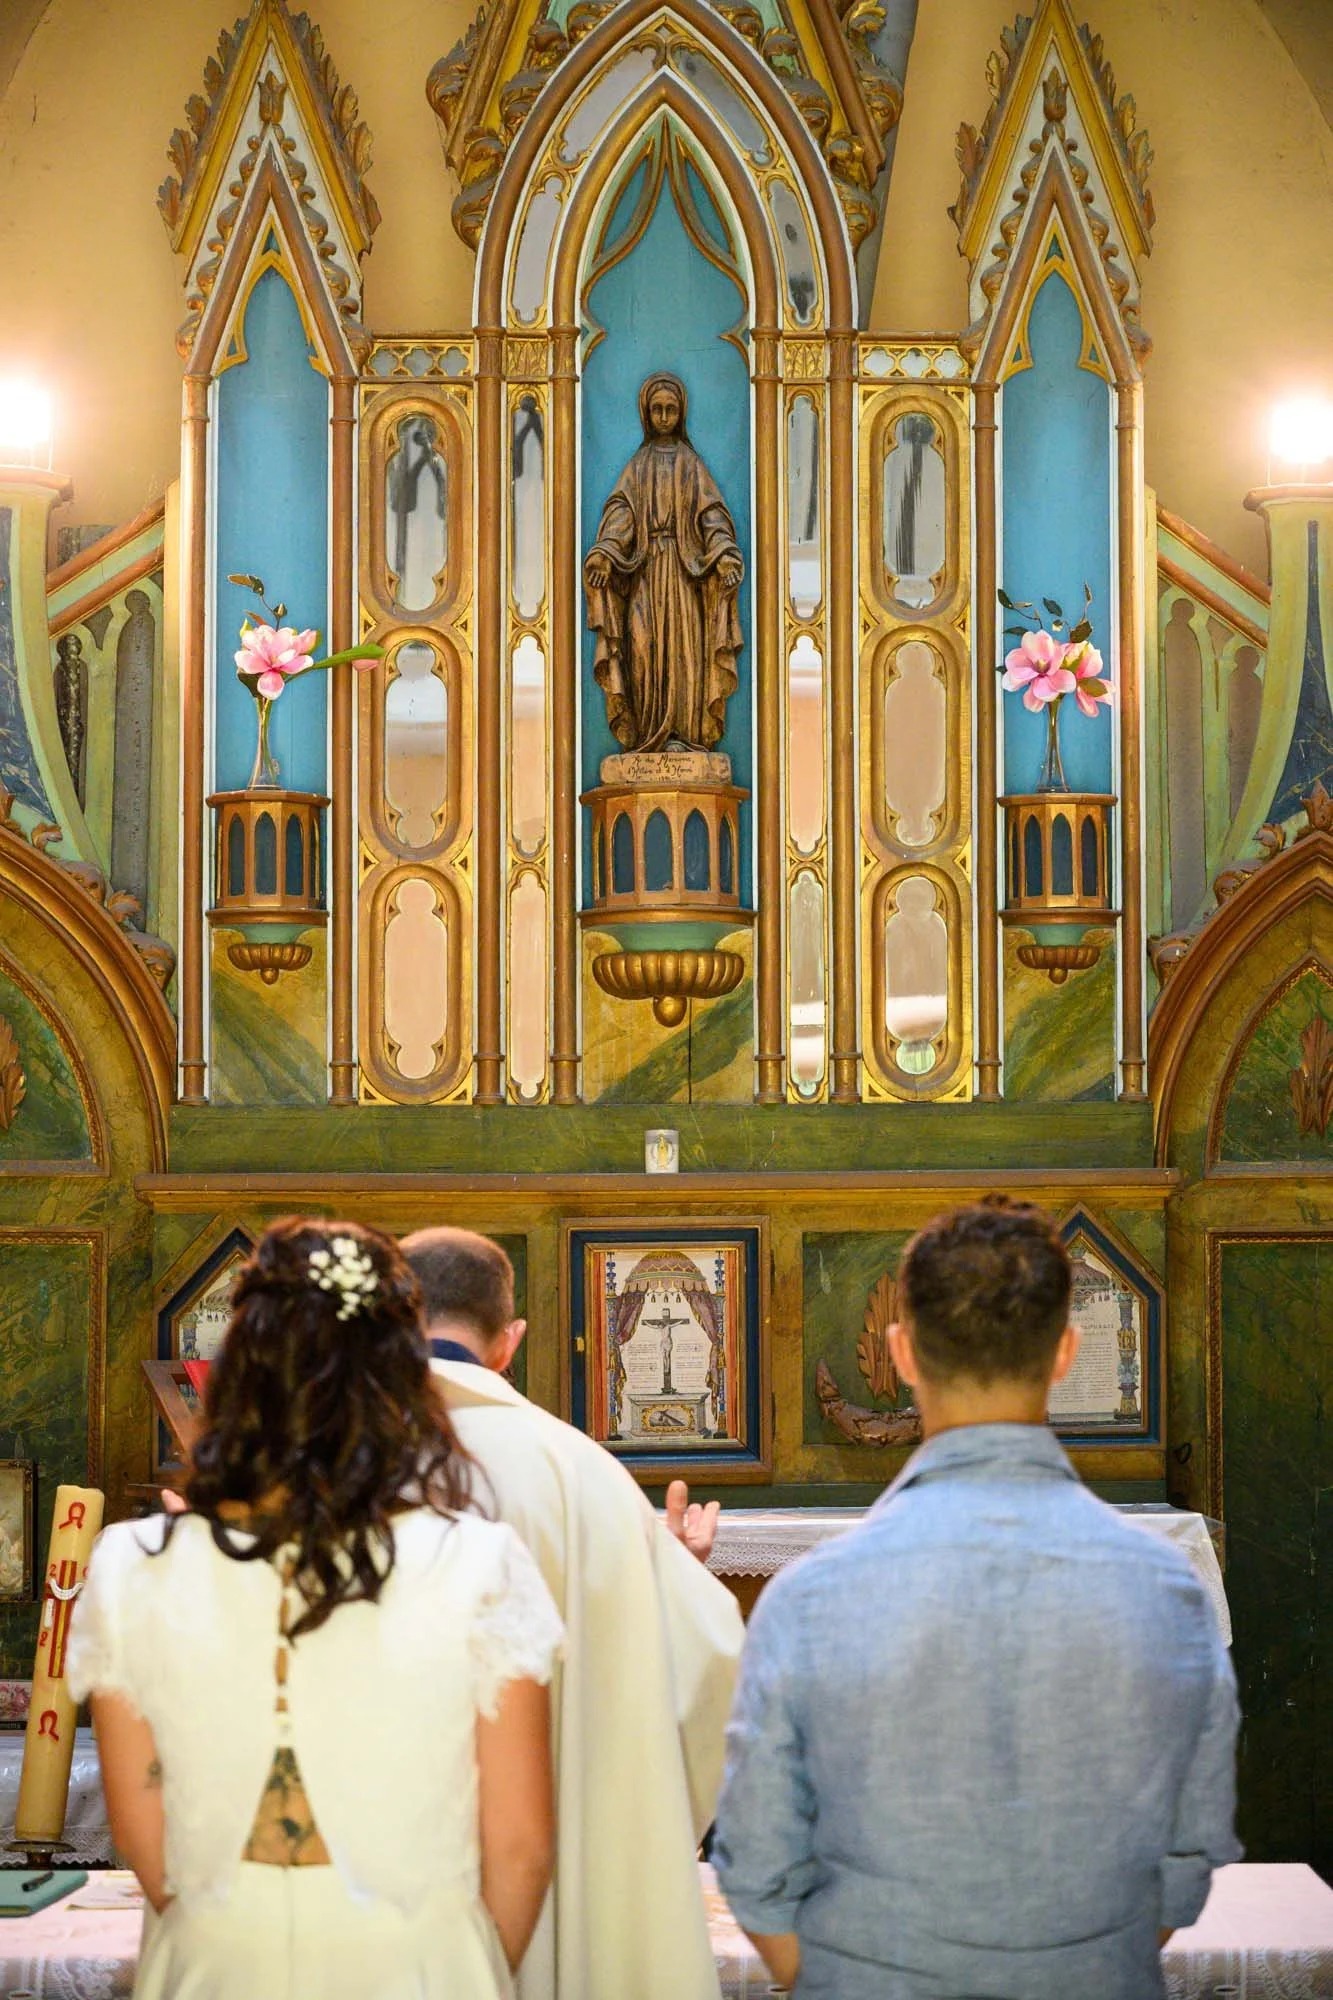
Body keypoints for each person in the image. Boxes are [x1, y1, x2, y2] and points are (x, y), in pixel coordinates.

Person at [714, 1199, 1240, 2000]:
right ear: (1065, 1352)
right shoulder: (1167, 1592)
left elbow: (754, 1865)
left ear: (901, 1352)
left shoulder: (810, 1598)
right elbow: (1186, 1863)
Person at [68, 1218, 563, 2000]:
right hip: (422, 1964)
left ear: (236, 1378)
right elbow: (521, 1848)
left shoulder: (133, 1567)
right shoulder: (479, 1565)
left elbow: (147, 1841)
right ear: (402, 1384)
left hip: (216, 1963)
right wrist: (450, 1962)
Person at [401, 1225, 745, 2000]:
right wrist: (652, 1593)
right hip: (550, 1879)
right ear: (509, 1340)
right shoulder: (581, 1470)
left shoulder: (323, 1458)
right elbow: (710, 1665)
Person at [583, 370, 743, 753]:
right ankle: (647, 737)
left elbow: (711, 517)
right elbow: (621, 513)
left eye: (671, 409)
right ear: (647, 414)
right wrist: (606, 551)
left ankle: (684, 736)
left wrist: (721, 554)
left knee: (685, 658)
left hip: (684, 576)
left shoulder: (691, 463)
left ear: (681, 413)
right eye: (657, 409)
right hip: (645, 575)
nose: (665, 417)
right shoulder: (638, 466)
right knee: (642, 651)